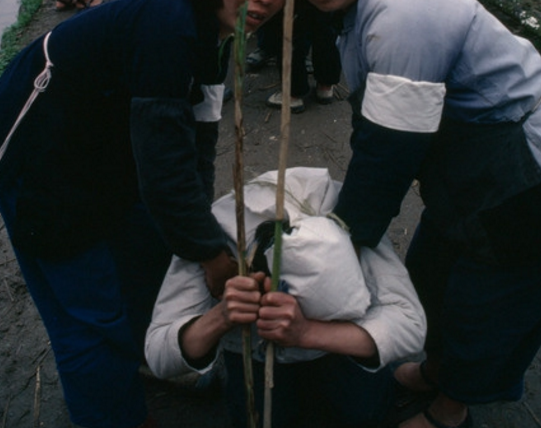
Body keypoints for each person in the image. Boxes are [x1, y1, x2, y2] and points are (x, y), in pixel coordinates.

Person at [0, 0, 288, 428]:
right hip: (34, 155)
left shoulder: (214, 35)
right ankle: (113, 414)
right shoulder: (168, 25)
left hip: (97, 146)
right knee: (87, 315)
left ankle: (148, 353)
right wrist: (209, 254)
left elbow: (196, 144)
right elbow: (164, 165)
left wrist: (197, 237)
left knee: (150, 250)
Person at [295, 0, 541, 428]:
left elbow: (386, 157)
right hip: (472, 159)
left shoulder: (398, 15)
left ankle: (453, 407)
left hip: (538, 167)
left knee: (488, 297)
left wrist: (341, 245)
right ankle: (437, 368)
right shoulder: (361, 9)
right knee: (434, 269)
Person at [145, 166, 426, 428]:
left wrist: (308, 333)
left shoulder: (345, 215)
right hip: (251, 364)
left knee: (358, 412)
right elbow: (159, 355)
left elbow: (410, 326)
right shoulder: (218, 235)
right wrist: (220, 316)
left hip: (341, 358)